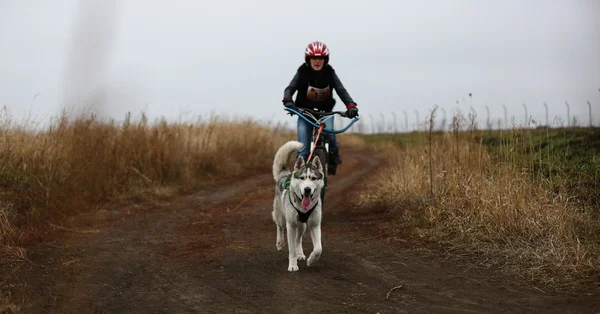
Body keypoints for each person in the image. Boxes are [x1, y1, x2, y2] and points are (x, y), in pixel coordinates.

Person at [282, 41, 359, 175]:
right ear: (308, 59)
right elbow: (290, 88)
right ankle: (296, 179)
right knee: (303, 149)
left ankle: (333, 155)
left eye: (320, 58)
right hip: (305, 113)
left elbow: (341, 90)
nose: (317, 61)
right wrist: (288, 100)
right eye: (314, 58)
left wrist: (351, 105)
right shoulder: (302, 72)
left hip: (325, 113)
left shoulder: (329, 72)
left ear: (325, 60)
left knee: (330, 133)